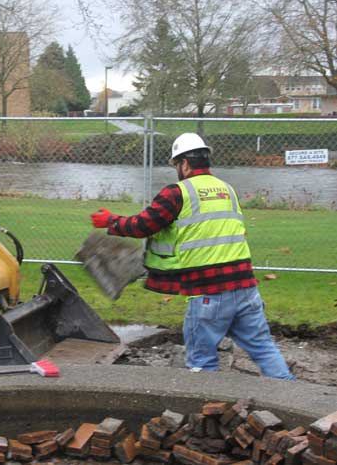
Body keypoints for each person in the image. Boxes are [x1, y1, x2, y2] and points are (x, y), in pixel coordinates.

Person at [90, 133, 294, 380]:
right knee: (263, 349)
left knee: (201, 360)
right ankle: (289, 394)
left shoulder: (177, 193)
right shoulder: (227, 189)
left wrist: (110, 221)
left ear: (184, 163)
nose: (177, 169)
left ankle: (207, 408)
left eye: (177, 164)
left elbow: (143, 225)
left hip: (209, 292)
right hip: (246, 289)